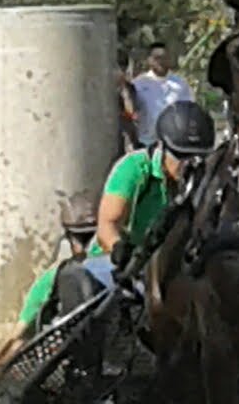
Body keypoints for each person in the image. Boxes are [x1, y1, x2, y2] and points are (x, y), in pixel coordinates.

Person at [84, 100, 217, 289]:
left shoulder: (202, 181)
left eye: (197, 158)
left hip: (166, 267)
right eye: (180, 157)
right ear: (162, 147)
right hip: (115, 262)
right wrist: (120, 251)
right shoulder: (133, 168)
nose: (188, 165)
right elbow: (107, 225)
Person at [0, 194, 101, 378]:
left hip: (66, 359)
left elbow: (14, 334)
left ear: (68, 239)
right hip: (109, 352)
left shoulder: (53, 277)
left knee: (18, 344)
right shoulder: (116, 264)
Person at [131, 42, 194, 148]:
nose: (161, 62)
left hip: (173, 144)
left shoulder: (180, 85)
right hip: (146, 143)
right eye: (157, 58)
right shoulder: (138, 84)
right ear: (149, 60)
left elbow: (189, 112)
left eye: (164, 58)